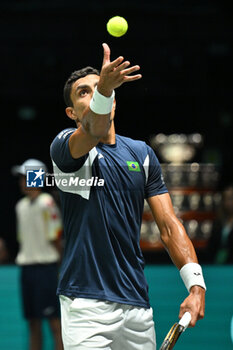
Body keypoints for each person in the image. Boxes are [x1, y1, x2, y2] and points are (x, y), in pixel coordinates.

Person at [50, 43, 206, 350]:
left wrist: (196, 285)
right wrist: (104, 89)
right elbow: (93, 129)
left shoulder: (141, 154)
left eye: (100, 88)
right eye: (85, 92)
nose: (94, 94)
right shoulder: (65, 147)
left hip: (137, 307)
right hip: (85, 306)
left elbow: (168, 225)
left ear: (115, 99)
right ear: (71, 113)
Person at [13, 159, 64, 350]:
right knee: (33, 322)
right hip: (27, 270)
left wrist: (59, 267)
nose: (21, 181)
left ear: (36, 178)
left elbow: (55, 238)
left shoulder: (47, 203)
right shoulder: (20, 206)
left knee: (54, 323)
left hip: (47, 270)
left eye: (25, 176)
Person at [207, 184, 233, 264]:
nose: (229, 202)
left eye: (231, 198)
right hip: (217, 264)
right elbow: (211, 247)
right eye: (227, 199)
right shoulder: (218, 222)